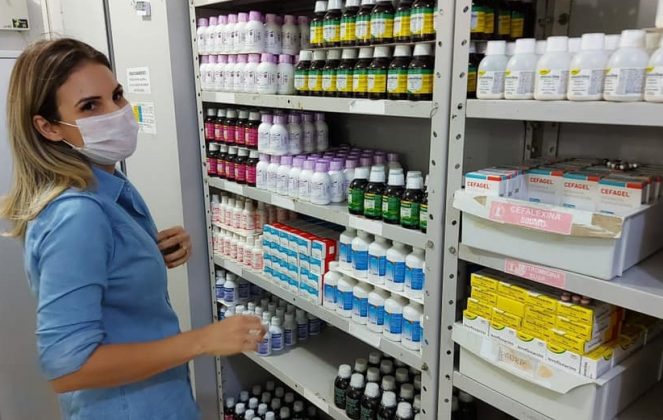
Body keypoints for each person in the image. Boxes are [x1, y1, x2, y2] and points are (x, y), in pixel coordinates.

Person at [0, 38, 265, 419]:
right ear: (48, 127)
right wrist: (202, 341)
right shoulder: (77, 214)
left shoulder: (106, 183)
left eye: (117, 95)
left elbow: (100, 276)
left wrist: (141, 254)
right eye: (90, 106)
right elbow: (69, 368)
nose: (117, 113)